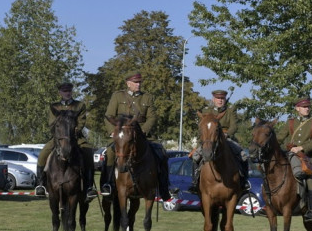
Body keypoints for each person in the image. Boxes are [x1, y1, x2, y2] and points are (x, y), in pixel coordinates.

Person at [100, 72, 173, 200]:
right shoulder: (117, 96)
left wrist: (143, 131)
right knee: (109, 154)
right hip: (122, 135)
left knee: (161, 153)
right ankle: (107, 184)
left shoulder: (147, 97)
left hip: (142, 136)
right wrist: (113, 132)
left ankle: (163, 188)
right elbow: (109, 115)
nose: (138, 84)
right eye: (135, 82)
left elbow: (152, 117)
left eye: (139, 82)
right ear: (128, 83)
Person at [34, 82, 96, 198]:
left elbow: (81, 121)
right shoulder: (54, 107)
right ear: (60, 92)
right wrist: (60, 135)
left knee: (88, 152)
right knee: (43, 154)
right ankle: (41, 185)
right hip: (59, 137)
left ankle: (88, 187)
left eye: (69, 91)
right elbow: (52, 123)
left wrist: (74, 131)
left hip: (76, 137)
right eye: (65, 91)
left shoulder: (79, 105)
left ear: (72, 91)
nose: (67, 93)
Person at [187, 89, 250, 195]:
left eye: (222, 98)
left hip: (226, 138)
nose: (220, 100)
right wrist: (200, 142)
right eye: (218, 98)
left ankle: (244, 182)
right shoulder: (207, 111)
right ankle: (194, 182)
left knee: (243, 156)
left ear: (225, 99)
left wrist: (227, 134)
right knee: (196, 156)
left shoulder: (230, 110)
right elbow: (203, 128)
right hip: (209, 139)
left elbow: (234, 126)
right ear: (213, 99)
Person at [276, 97, 312, 222]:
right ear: (297, 108)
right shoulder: (291, 122)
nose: (307, 109)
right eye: (304, 107)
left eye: (308, 107)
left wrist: (301, 148)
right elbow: (280, 137)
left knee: (309, 179)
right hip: (291, 155)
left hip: (309, 158)